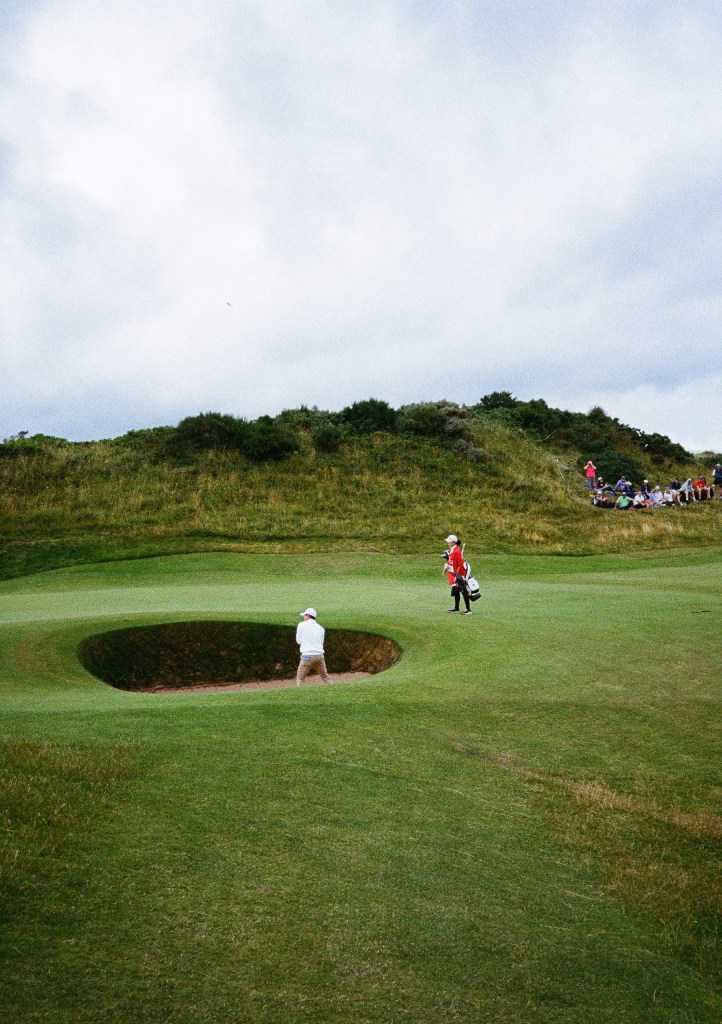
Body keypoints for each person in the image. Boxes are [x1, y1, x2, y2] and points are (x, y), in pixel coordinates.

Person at [295, 608, 332, 685]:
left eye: (304, 615)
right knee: (325, 677)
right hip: (319, 656)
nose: (303, 617)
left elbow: (298, 641)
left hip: (307, 656)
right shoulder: (321, 628)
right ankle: (334, 690)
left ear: (308, 616)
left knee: (300, 678)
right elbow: (321, 643)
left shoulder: (301, 625)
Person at [443, 534, 472, 614]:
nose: (448, 543)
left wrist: (457, 576)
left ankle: (468, 609)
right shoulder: (452, 549)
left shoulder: (457, 550)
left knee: (463, 591)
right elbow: (451, 562)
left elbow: (461, 565)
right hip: (453, 573)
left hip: (459, 574)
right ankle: (456, 607)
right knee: (456, 591)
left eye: (449, 542)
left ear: (453, 542)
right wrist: (446, 567)